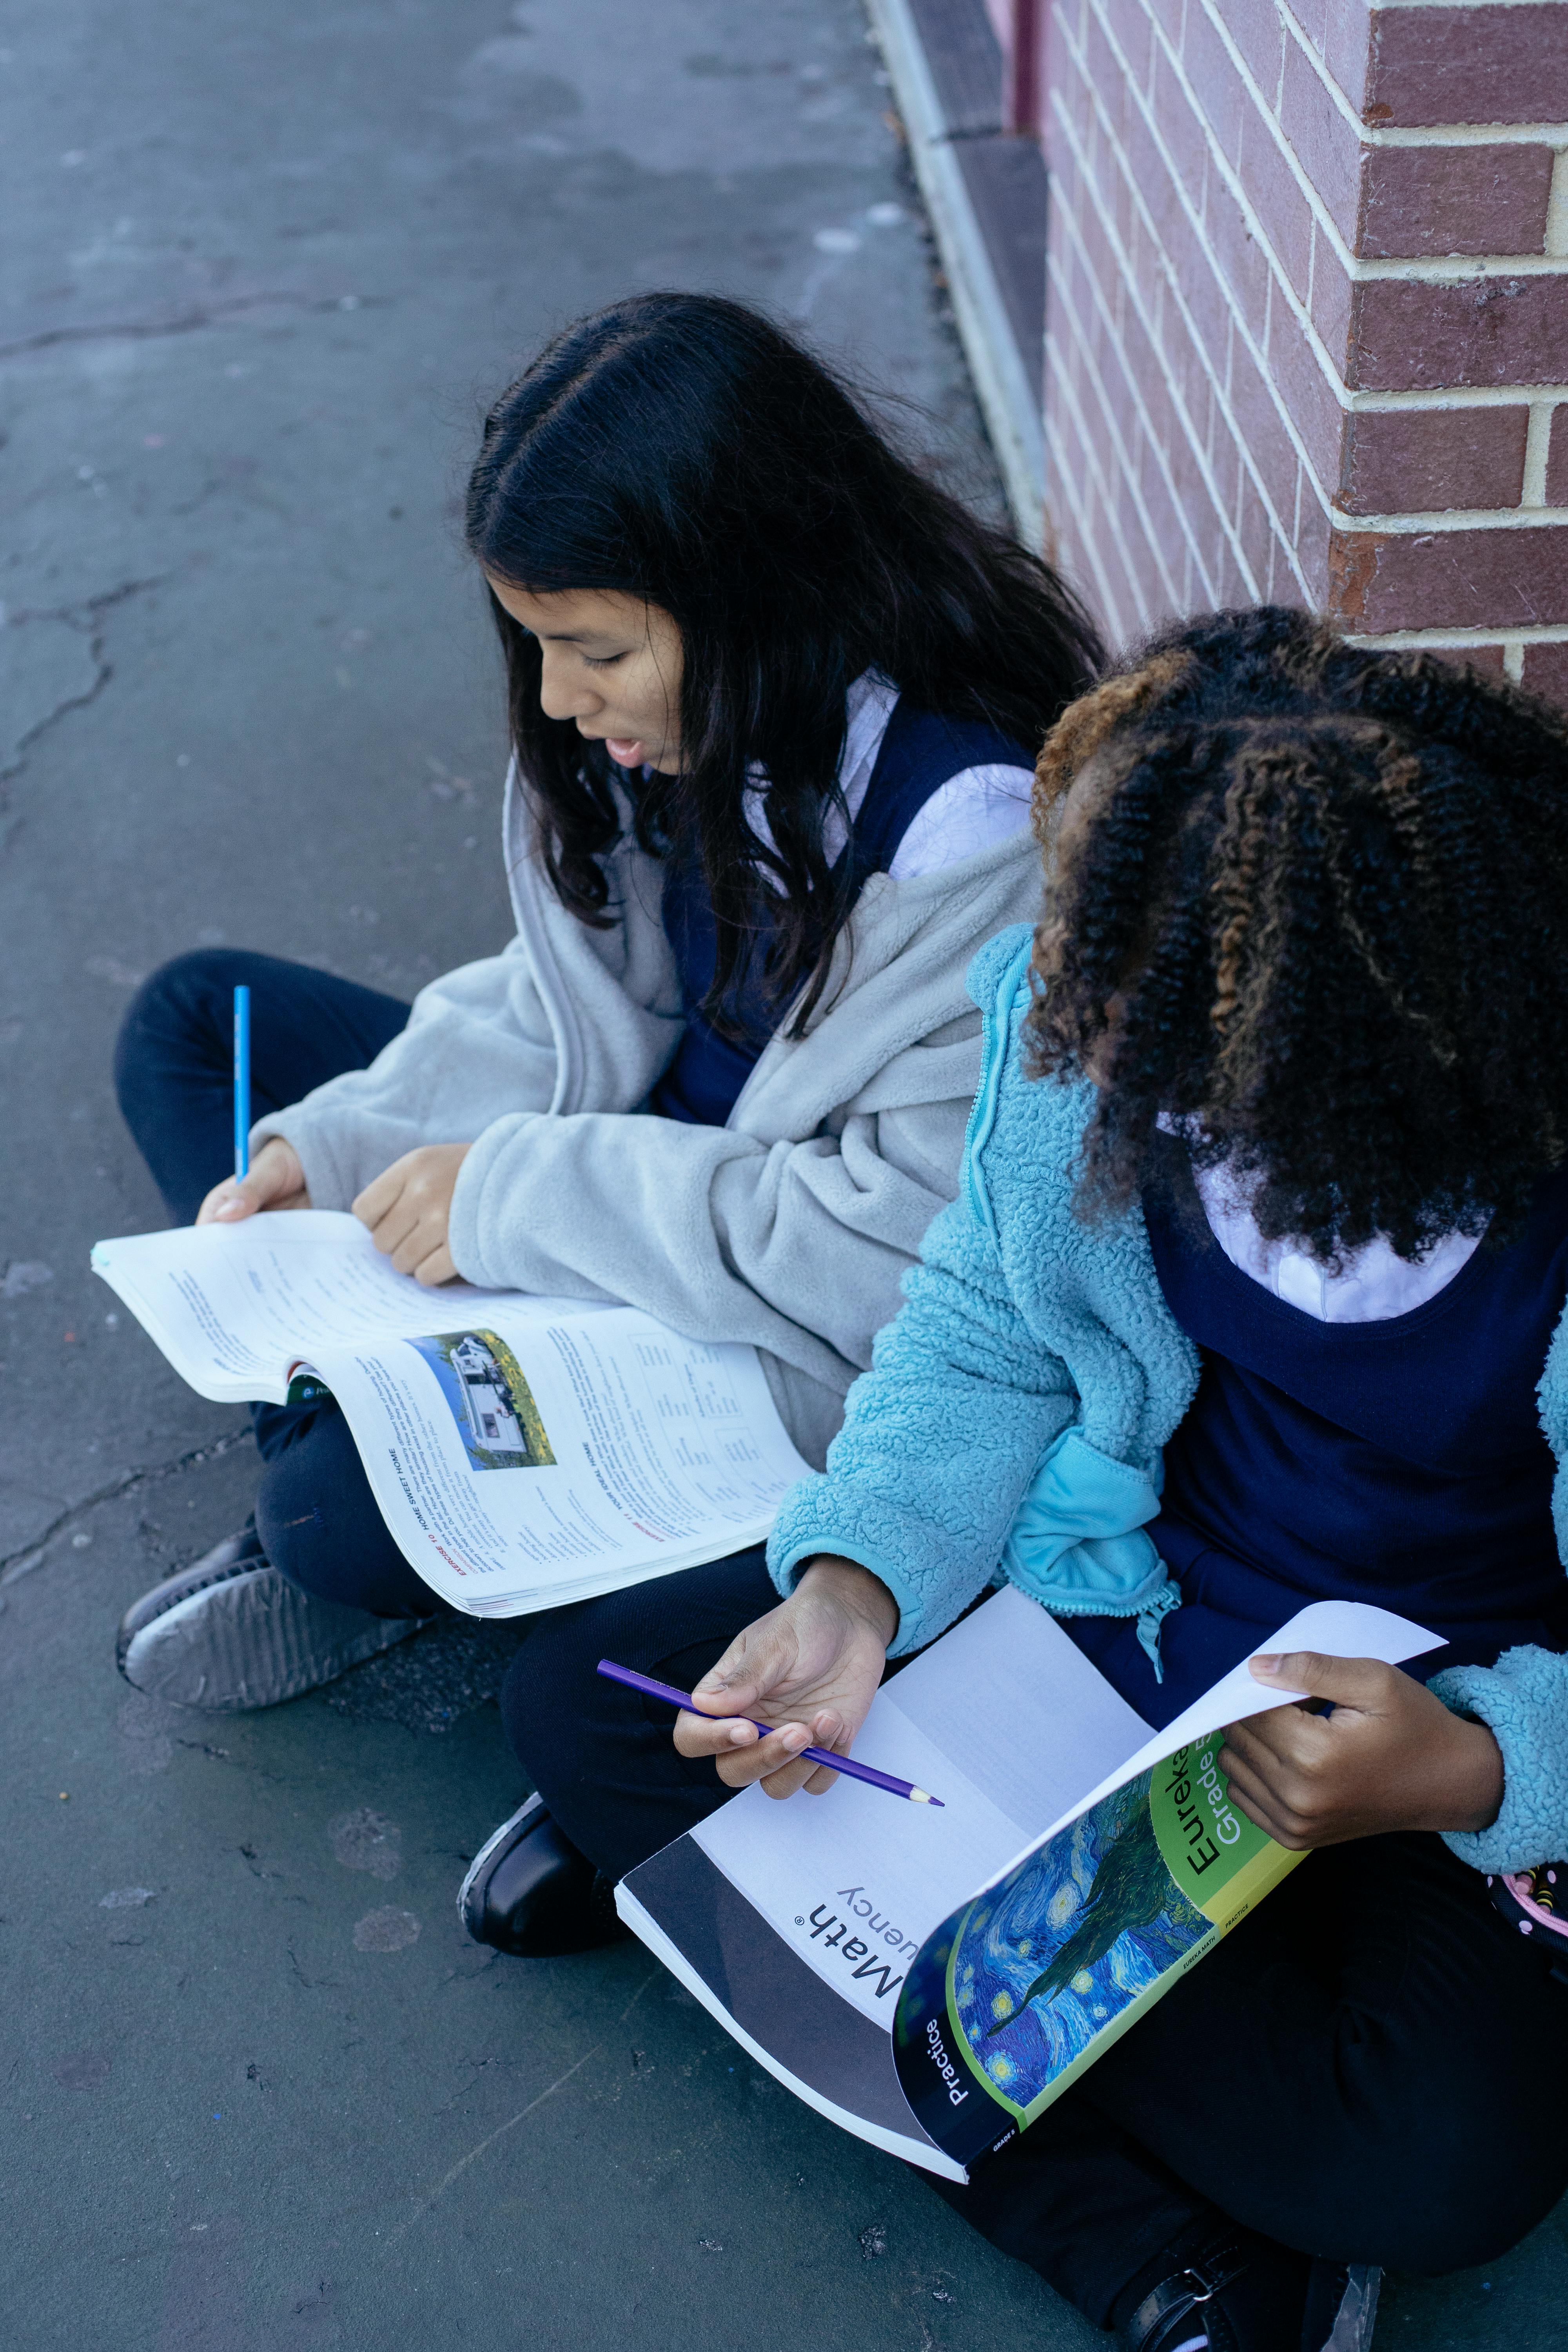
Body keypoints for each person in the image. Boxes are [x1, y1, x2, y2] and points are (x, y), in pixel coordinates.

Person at [507, 609, 1568, 2350]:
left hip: (1401, 1720)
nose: (1057, 1020)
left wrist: (1474, 1769)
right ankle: (1151, 2246)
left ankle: (777, 1923)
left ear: (1362, 1046)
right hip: (1114, 1588)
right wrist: (852, 1592)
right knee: (584, 1704)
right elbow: (988, 1328)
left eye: (1134, 1018)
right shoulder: (1083, 1021)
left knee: (1448, 2161)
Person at [111, 290, 1101, 1945]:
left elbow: (882, 1259)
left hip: (788, 1348)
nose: (562, 703)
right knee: (195, 1033)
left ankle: (406, 1509)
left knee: (332, 1517)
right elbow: (563, 998)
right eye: (539, 649)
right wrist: (344, 1148)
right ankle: (436, 1493)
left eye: (593, 649)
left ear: (753, 592)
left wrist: (504, 1197)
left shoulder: (979, 840)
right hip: (624, 1218)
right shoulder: (684, 731)